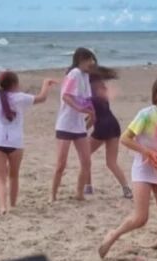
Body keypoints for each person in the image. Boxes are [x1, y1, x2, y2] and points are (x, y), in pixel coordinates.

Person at [98, 77, 157, 261]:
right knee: (141, 218)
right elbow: (125, 138)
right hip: (143, 169)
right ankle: (113, 235)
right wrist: (147, 152)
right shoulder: (146, 114)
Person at [0, 71, 56, 215]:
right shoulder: (20, 97)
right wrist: (46, 84)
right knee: (14, 175)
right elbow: (42, 98)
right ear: (15, 84)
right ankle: (13, 204)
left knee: (0, 178)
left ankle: (3, 207)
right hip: (16, 141)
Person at [51, 47, 96, 202]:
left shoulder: (85, 76)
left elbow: (87, 99)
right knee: (61, 164)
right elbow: (66, 96)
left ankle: (79, 194)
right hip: (65, 124)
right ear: (81, 60)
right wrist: (80, 108)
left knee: (86, 162)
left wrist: (92, 112)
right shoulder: (74, 73)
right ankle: (53, 195)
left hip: (79, 126)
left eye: (92, 60)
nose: (92, 62)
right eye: (89, 60)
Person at [86, 66, 132, 199]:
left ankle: (88, 186)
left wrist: (83, 129)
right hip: (113, 125)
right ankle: (126, 188)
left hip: (102, 127)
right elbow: (98, 113)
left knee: (85, 156)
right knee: (112, 162)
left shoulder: (89, 95)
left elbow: (93, 118)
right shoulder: (101, 91)